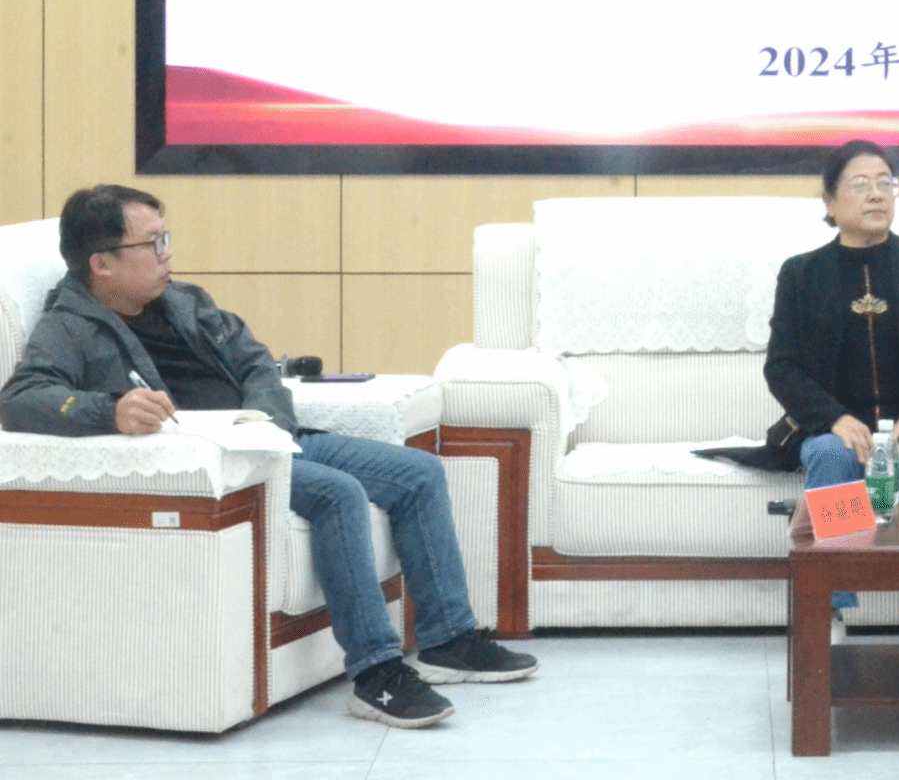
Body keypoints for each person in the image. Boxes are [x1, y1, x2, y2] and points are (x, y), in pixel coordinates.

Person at [0, 185, 537, 728]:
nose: (168, 252)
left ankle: (448, 640)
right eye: (153, 242)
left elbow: (255, 362)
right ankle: (377, 674)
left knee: (418, 472)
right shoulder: (68, 326)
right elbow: (21, 399)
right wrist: (109, 411)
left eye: (166, 237)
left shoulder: (185, 301)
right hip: (224, 466)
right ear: (102, 263)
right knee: (339, 493)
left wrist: (265, 420)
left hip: (270, 438)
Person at [764, 140, 899, 646]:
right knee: (830, 455)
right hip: (835, 426)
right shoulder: (801, 274)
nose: (877, 195)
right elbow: (782, 366)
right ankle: (831, 606)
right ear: (829, 201)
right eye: (860, 185)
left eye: (886, 183)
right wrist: (832, 418)